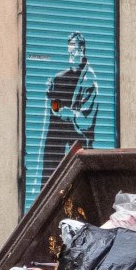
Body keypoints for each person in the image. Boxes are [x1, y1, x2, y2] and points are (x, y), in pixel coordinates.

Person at [39, 31, 100, 181]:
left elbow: (85, 122)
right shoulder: (62, 78)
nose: (70, 59)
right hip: (62, 156)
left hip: (79, 158)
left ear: (82, 51)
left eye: (73, 54)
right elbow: (56, 109)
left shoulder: (89, 81)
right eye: (69, 54)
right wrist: (52, 99)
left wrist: (65, 113)